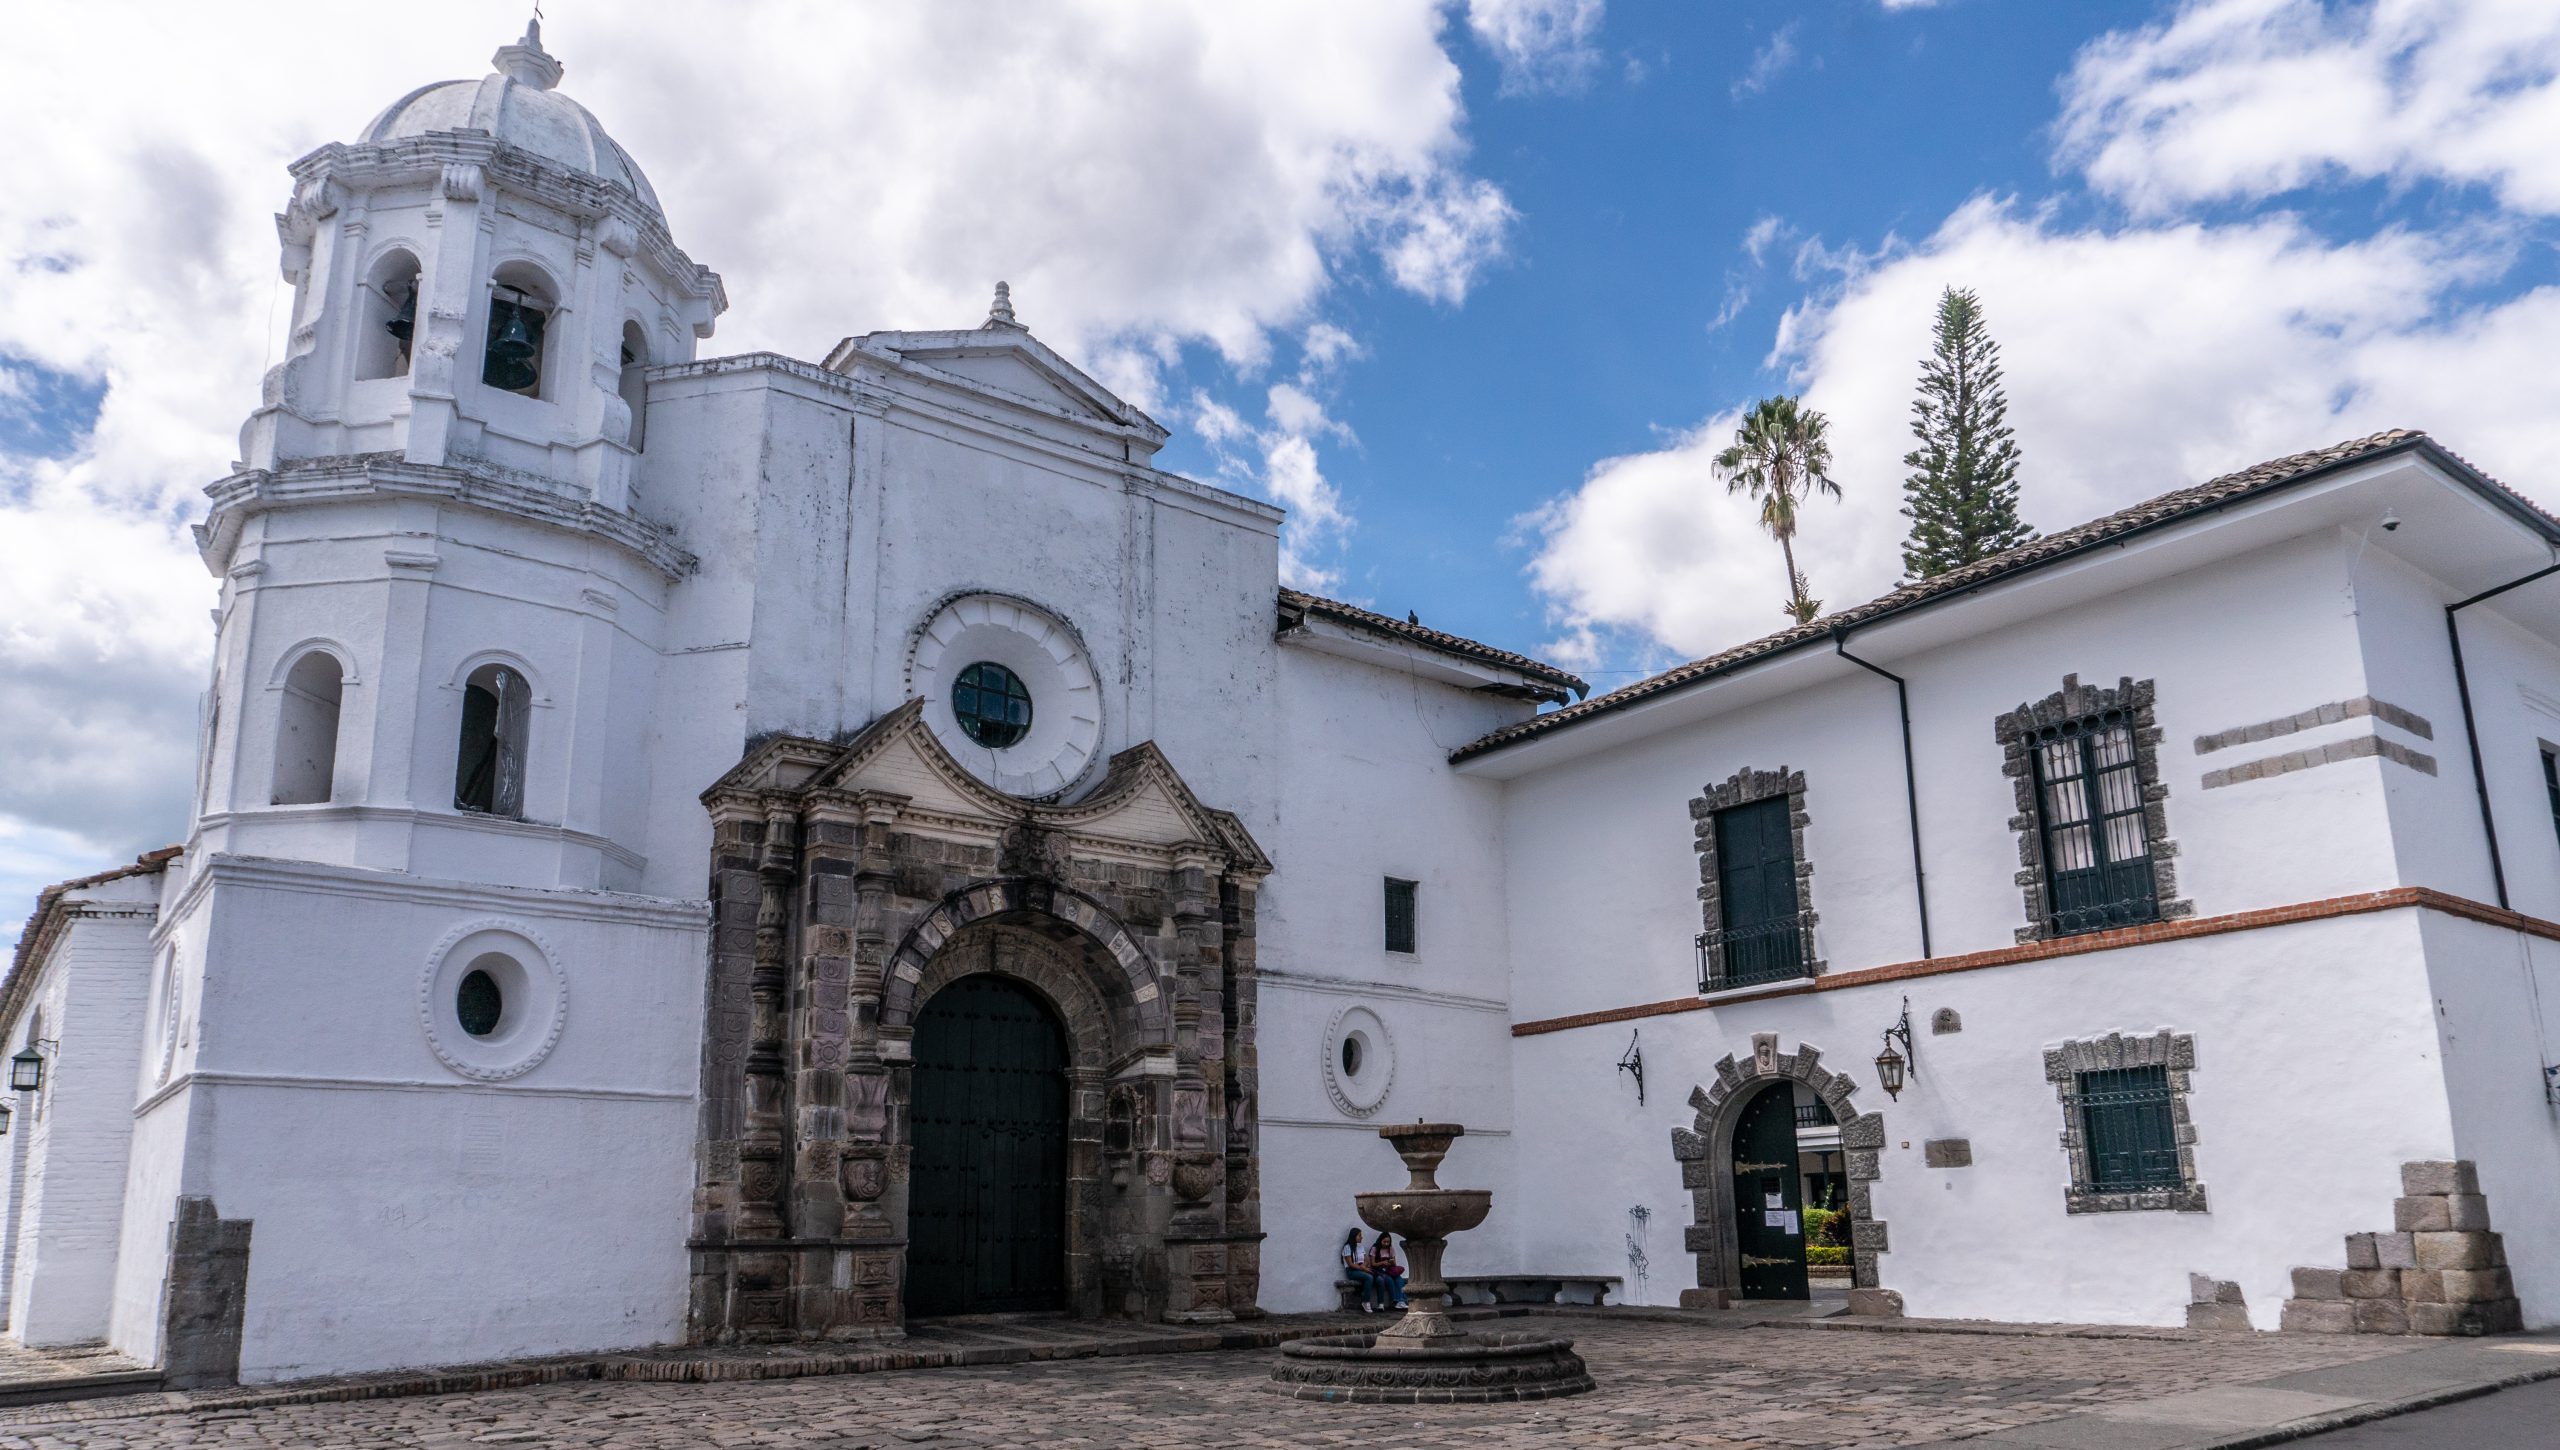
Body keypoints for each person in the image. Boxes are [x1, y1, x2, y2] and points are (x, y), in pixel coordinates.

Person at [1339, 1227, 1386, 1313]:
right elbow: (1350, 1264)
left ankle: (1381, 1304)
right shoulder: (1347, 1247)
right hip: (1352, 1271)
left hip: (1362, 1268)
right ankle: (1365, 1301)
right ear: (1354, 1236)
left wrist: (1364, 1266)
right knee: (1369, 1278)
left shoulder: (1360, 1247)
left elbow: (1367, 1260)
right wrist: (1363, 1268)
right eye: (1360, 1235)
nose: (1362, 1237)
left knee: (1379, 1279)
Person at [1366, 1230, 1407, 1309]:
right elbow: (1373, 1264)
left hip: (1389, 1270)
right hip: (1379, 1271)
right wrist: (1382, 1263)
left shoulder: (1390, 1249)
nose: (1386, 1244)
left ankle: (1402, 1301)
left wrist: (1391, 1262)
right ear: (1380, 1240)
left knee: (1400, 1280)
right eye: (1384, 1242)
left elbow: (1395, 1263)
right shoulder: (1375, 1249)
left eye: (1388, 1242)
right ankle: (1395, 1300)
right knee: (1389, 1280)